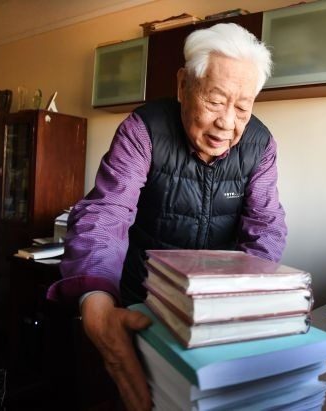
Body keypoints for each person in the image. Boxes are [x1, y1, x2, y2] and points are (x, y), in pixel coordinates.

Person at [47, 23, 287, 411]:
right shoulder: (144, 129)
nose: (227, 122)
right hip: (141, 304)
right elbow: (108, 211)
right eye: (215, 101)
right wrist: (95, 298)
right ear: (183, 85)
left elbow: (266, 227)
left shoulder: (261, 145)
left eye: (243, 107)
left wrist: (247, 304)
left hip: (214, 314)